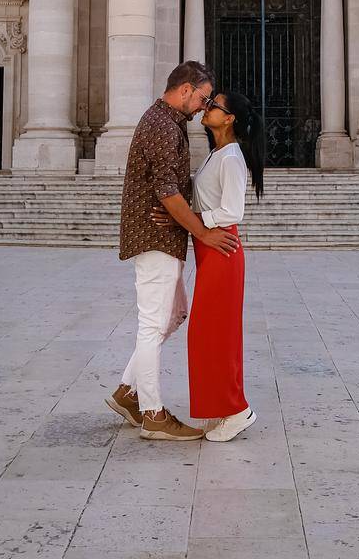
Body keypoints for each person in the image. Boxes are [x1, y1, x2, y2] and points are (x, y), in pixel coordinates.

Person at [105, 61, 239, 442]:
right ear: (185, 90)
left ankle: (127, 393)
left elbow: (172, 189)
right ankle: (153, 414)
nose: (203, 105)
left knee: (172, 316)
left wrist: (183, 217)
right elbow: (167, 191)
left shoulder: (167, 122)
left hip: (164, 237)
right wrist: (203, 232)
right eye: (202, 97)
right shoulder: (164, 126)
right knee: (153, 323)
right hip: (154, 238)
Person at [186, 88, 265, 442]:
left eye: (214, 105)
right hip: (210, 247)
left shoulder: (231, 156)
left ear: (229, 118)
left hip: (221, 247)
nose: (207, 108)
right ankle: (220, 407)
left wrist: (193, 218)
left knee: (217, 334)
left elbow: (234, 211)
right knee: (207, 335)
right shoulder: (215, 153)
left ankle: (237, 409)